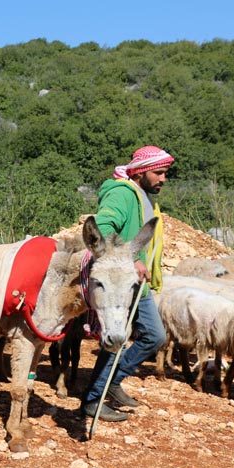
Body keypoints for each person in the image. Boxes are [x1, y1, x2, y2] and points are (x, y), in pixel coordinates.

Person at [80, 145, 172, 422]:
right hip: (120, 279)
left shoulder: (143, 196)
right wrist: (131, 260)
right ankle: (93, 400)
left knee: (154, 336)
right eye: (158, 172)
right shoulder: (122, 193)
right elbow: (104, 226)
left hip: (135, 282)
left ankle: (113, 380)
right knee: (118, 337)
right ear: (141, 172)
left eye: (165, 173)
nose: (163, 178)